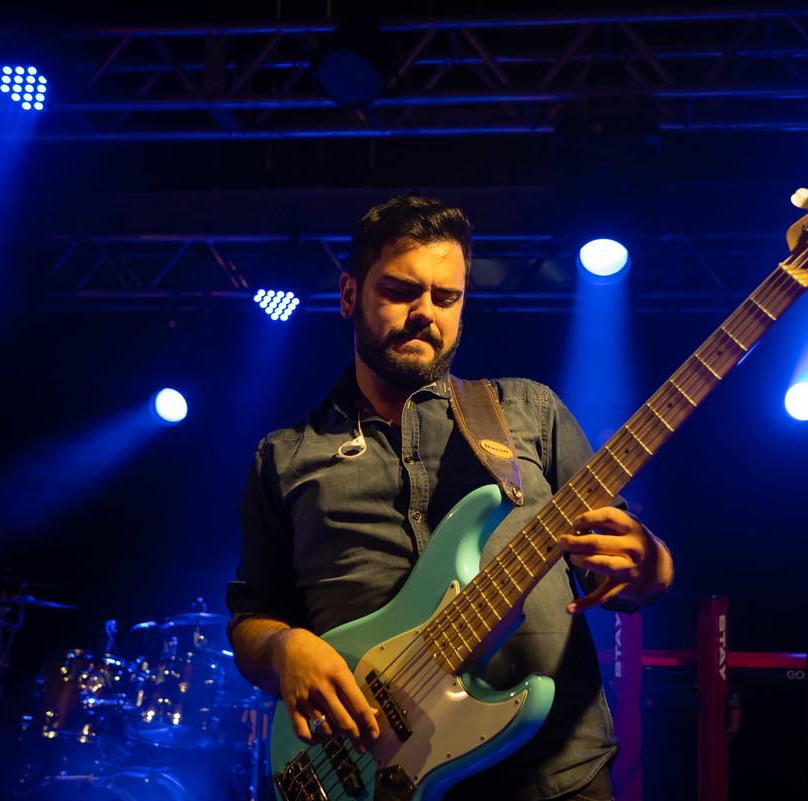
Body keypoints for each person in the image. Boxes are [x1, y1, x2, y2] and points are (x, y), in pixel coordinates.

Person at [226, 195, 673, 801]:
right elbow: (253, 617)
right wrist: (283, 648)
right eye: (401, 290)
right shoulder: (285, 456)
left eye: (446, 297)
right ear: (350, 294)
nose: (425, 314)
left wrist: (651, 567)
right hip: (365, 774)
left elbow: (617, 561)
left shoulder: (528, 413)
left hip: (554, 777)